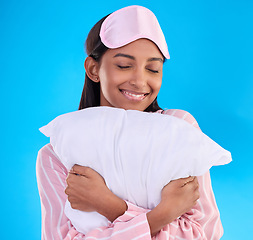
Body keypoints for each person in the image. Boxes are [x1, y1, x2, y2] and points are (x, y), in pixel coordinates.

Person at [36, 5, 224, 240]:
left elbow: (205, 232)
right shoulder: (57, 156)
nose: (140, 81)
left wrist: (110, 206)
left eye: (153, 69)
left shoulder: (178, 130)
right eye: (124, 66)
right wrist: (162, 215)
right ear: (93, 69)